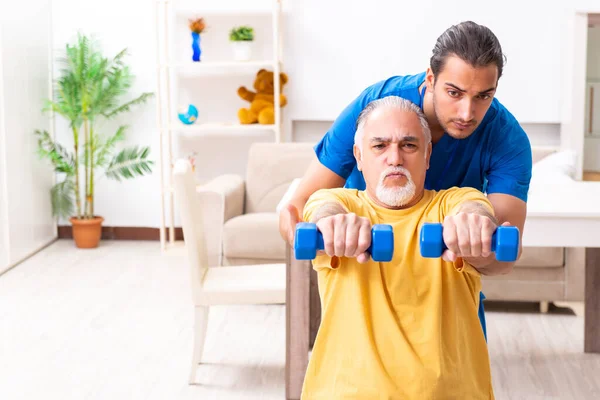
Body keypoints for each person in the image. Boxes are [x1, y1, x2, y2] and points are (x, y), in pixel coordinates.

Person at [279, 21, 532, 338]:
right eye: (454, 92)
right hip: (365, 282)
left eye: (484, 96)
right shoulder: (376, 109)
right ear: (430, 79)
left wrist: (475, 245)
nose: (468, 112)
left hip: (446, 292)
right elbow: (300, 207)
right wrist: (324, 234)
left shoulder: (507, 139)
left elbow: (504, 256)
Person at [301, 96, 500, 399]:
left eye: (408, 145)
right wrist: (333, 225)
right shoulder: (342, 204)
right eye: (379, 146)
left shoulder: (454, 203)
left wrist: (473, 224)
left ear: (428, 154)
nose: (394, 158)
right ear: (358, 155)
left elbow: (476, 208)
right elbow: (320, 208)